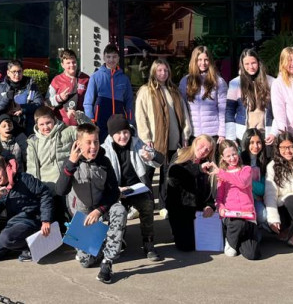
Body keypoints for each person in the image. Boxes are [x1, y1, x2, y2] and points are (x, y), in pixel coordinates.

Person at [56, 122, 127, 284]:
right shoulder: (69, 163)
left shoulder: (104, 162)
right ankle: (106, 240)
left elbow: (114, 192)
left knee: (119, 209)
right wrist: (71, 164)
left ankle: (107, 262)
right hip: (82, 216)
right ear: (78, 144)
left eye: (96, 141)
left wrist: (99, 211)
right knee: (85, 262)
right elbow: (60, 190)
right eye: (88, 142)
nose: (93, 146)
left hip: (99, 211)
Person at [101, 113, 163, 262]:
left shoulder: (137, 143)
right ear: (111, 134)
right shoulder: (104, 150)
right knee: (116, 210)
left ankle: (148, 243)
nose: (123, 136)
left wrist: (151, 157)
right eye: (118, 133)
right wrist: (116, 190)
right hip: (116, 190)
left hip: (136, 188)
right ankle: (117, 241)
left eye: (126, 132)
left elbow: (160, 160)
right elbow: (102, 177)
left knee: (147, 205)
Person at [135, 58, 190, 206]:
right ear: (153, 72)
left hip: (173, 140)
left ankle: (164, 205)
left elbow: (184, 114)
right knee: (147, 174)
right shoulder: (146, 91)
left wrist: (185, 134)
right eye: (159, 70)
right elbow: (141, 116)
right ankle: (144, 204)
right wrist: (146, 137)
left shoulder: (174, 91)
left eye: (165, 70)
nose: (163, 73)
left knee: (166, 175)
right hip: (153, 141)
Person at [0, 155, 53, 262]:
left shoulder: (24, 179)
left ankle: (31, 246)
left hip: (31, 221)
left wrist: (46, 220)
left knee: (6, 238)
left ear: (5, 167)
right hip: (13, 225)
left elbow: (45, 194)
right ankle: (21, 245)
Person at [205, 139, 260, 259]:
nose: (232, 158)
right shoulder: (222, 174)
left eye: (234, 154)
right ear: (223, 157)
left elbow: (243, 183)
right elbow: (219, 198)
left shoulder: (246, 169)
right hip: (232, 217)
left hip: (248, 215)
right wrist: (221, 209)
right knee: (237, 223)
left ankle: (237, 239)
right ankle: (230, 241)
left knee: (252, 254)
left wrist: (222, 173)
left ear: (238, 152)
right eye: (228, 156)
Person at [164, 134, 216, 252]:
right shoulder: (180, 154)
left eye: (207, 150)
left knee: (206, 242)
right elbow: (174, 177)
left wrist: (210, 205)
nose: (203, 150)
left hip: (196, 209)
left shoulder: (207, 164)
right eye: (202, 146)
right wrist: (197, 169)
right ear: (195, 142)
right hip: (179, 208)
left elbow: (207, 191)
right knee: (186, 247)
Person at [83, 44, 134, 141]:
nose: (111, 60)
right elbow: (88, 102)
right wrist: (91, 121)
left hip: (119, 122)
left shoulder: (124, 79)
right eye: (108, 57)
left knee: (118, 148)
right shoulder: (95, 76)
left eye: (114, 57)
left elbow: (129, 102)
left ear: (118, 58)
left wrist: (130, 122)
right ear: (104, 57)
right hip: (101, 121)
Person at [178, 45, 228, 141]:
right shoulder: (185, 81)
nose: (203, 63)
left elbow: (223, 109)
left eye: (206, 59)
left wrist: (222, 133)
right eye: (199, 60)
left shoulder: (219, 82)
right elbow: (182, 109)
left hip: (213, 135)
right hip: (192, 134)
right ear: (194, 61)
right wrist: (184, 133)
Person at [226, 48, 274, 143]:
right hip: (243, 135)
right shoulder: (235, 83)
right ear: (242, 65)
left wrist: (274, 132)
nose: (251, 67)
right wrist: (231, 137)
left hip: (266, 134)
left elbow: (277, 111)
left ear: (259, 63)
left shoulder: (271, 82)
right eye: (247, 64)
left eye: (253, 63)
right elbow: (229, 111)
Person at [0, 59, 44, 135]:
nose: (17, 74)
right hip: (8, 127)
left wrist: (22, 108)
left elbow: (39, 104)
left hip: (28, 127)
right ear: (8, 73)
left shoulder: (31, 86)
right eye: (14, 72)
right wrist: (7, 97)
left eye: (19, 71)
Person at [47, 49, 89, 127]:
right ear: (62, 65)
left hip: (82, 124)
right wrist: (59, 98)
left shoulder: (86, 79)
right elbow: (47, 102)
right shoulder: (56, 80)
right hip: (62, 124)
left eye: (74, 62)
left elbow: (91, 101)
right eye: (68, 63)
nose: (72, 65)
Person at [240, 128, 269, 229]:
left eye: (258, 142)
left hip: (256, 198)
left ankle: (258, 227)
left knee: (264, 216)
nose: (255, 146)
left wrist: (248, 183)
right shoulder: (239, 158)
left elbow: (261, 190)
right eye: (251, 142)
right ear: (246, 142)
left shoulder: (263, 161)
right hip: (242, 199)